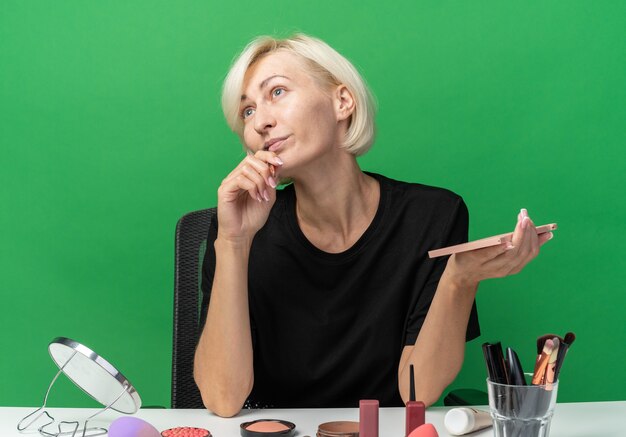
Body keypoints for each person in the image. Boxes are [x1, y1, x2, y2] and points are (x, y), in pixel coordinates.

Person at [193, 34, 552, 417]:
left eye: (277, 92)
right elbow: (222, 400)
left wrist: (459, 280)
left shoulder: (433, 215)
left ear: (342, 102)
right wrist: (233, 242)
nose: (261, 121)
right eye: (247, 112)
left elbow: (420, 389)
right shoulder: (238, 229)